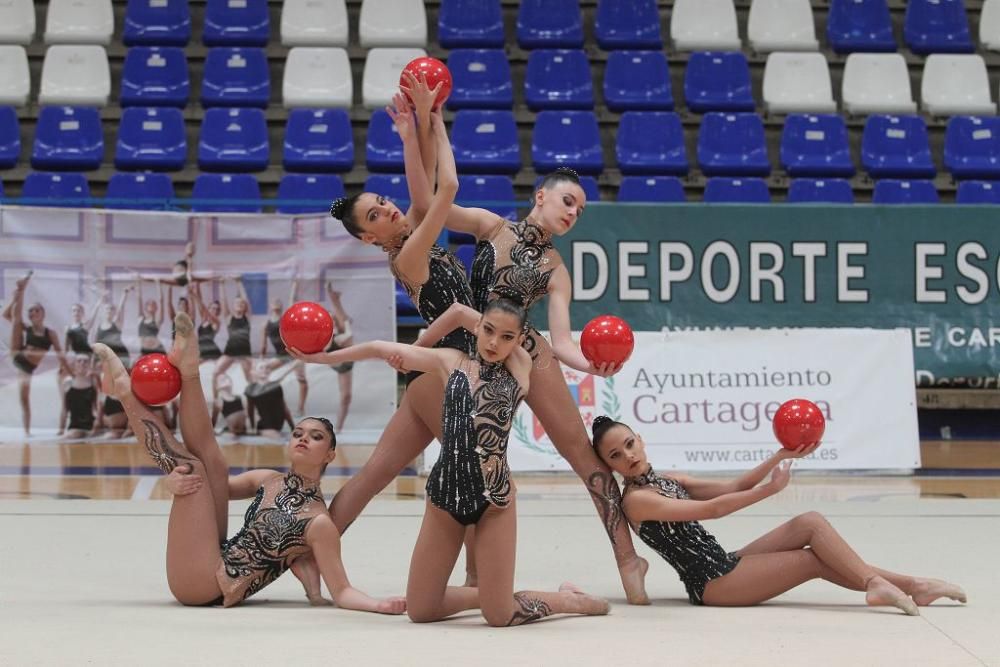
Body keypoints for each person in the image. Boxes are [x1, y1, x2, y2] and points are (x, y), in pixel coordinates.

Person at [404, 132, 649, 601]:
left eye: (579, 210)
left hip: (528, 354)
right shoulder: (492, 227)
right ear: (541, 196)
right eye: (568, 201)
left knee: (583, 456)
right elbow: (428, 206)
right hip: (477, 347)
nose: (573, 213)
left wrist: (594, 368)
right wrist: (429, 127)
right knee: (480, 459)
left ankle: (628, 560)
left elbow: (561, 342)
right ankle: (477, 577)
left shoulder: (556, 269)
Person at [290, 298, 608, 626]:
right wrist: (324, 357)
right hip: (445, 498)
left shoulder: (521, 366)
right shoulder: (448, 361)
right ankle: (490, 594)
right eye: (487, 331)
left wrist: (588, 364)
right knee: (421, 610)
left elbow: (518, 340)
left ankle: (569, 601)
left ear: (518, 340)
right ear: (477, 327)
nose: (494, 342)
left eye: (506, 337)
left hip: (494, 502)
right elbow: (378, 347)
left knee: (499, 617)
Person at [90, 315, 405, 613]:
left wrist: (377, 605)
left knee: (193, 471)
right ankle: (189, 370)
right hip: (213, 554)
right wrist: (171, 485)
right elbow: (214, 491)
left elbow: (343, 591)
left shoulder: (319, 522)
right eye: (297, 432)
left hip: (207, 587)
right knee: (213, 466)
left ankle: (123, 392)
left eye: (316, 436)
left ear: (330, 455)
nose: (303, 438)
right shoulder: (270, 479)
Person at [591, 416, 968, 614]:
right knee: (811, 559)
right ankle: (895, 585)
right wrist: (770, 491)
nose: (629, 456)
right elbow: (714, 509)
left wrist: (780, 457)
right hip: (713, 585)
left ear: (640, 438)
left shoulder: (666, 478)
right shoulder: (636, 501)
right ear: (611, 467)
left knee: (810, 522)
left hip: (725, 563)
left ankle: (906, 586)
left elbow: (731, 488)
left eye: (629, 444)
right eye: (616, 456)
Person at [323, 96, 478, 534]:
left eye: (384, 201)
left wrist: (416, 133)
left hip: (440, 371)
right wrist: (439, 127)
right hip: (445, 373)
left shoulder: (411, 239)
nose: (390, 209)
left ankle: (312, 551)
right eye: (376, 214)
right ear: (371, 238)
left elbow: (419, 189)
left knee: (375, 473)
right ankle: (474, 574)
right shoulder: (408, 257)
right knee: (475, 472)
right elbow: (440, 191)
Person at [2, 272, 70, 436]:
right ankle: (22, 289)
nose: (33, 313)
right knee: (16, 320)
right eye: (31, 311)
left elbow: (60, 353)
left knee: (24, 398)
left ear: (42, 314)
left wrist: (69, 369)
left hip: (27, 368)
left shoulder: (50, 333)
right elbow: (5, 315)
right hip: (17, 354)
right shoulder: (27, 328)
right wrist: (15, 297)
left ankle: (27, 431)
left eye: (36, 310)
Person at [260, 278, 311, 415]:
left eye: (278, 302)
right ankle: (267, 402)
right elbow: (263, 344)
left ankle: (301, 408)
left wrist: (294, 285)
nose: (276, 303)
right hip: (281, 356)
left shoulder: (286, 318)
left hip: (295, 353)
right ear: (270, 306)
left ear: (281, 307)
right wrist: (262, 359)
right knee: (263, 370)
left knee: (301, 378)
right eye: (274, 302)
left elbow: (291, 302)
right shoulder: (266, 324)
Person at [323, 281, 355, 431]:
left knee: (346, 397)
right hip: (336, 359)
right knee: (343, 334)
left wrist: (336, 302)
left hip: (346, 363)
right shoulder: (330, 336)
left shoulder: (339, 330)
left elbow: (344, 322)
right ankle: (333, 297)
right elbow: (348, 332)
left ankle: (339, 429)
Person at [214, 277, 252, 384]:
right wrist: (221, 284)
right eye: (237, 303)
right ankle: (217, 399)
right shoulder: (229, 317)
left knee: (250, 378)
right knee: (215, 373)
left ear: (244, 306)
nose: (239, 305)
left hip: (244, 352)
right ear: (233, 306)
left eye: (241, 304)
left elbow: (246, 300)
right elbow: (223, 300)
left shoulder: (247, 317)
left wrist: (239, 282)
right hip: (230, 352)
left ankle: (254, 399)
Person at [245, 360, 296, 439]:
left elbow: (284, 408)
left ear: (270, 371)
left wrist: (293, 427)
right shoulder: (250, 389)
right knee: (278, 439)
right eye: (261, 368)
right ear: (255, 372)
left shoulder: (276, 387)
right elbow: (250, 410)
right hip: (264, 425)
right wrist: (252, 428)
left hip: (278, 424)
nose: (265, 369)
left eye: (267, 367)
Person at [58, 353, 98, 439]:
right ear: (74, 364)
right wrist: (61, 429)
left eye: (85, 361)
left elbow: (97, 407)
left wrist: (97, 426)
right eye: (79, 361)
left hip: (90, 425)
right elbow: (64, 409)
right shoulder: (67, 383)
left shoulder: (93, 382)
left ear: (89, 365)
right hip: (74, 426)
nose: (82, 363)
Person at [190, 280, 223, 365]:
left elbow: (203, 308)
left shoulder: (216, 322)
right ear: (209, 308)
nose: (214, 310)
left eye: (217, 309)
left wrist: (194, 295)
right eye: (212, 308)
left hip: (212, 350)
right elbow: (200, 305)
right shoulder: (204, 319)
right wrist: (197, 285)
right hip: (202, 350)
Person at [136, 276, 166, 354]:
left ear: (156, 308)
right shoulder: (140, 318)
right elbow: (139, 298)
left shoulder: (157, 320)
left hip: (157, 350)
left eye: (153, 304)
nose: (151, 305)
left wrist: (158, 283)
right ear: (145, 307)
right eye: (149, 303)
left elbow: (161, 300)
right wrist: (138, 281)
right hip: (144, 350)